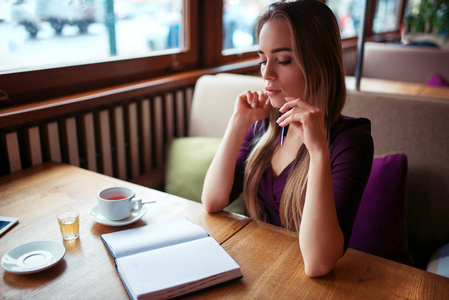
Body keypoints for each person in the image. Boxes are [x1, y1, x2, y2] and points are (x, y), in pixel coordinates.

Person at [201, 0, 373, 277]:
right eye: (262, 59)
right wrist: (238, 122)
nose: (266, 73)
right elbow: (212, 200)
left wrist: (318, 152)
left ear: (318, 64)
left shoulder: (351, 142)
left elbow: (318, 263)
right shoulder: (265, 126)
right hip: (254, 267)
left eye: (283, 60)